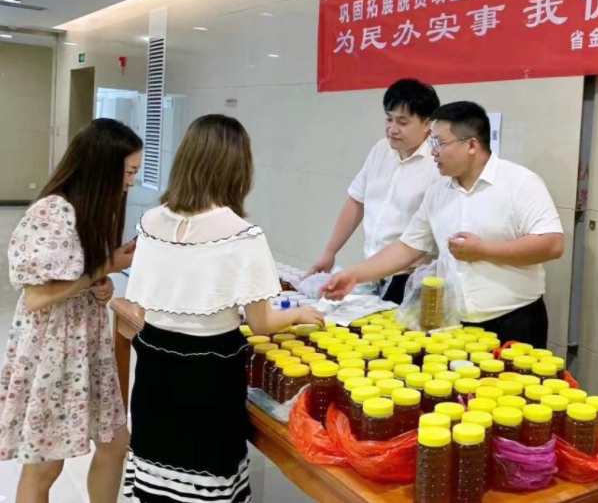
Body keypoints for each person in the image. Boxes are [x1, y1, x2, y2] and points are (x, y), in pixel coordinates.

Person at [122, 114, 323, 503]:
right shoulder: (242, 234)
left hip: (154, 367)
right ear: (239, 168)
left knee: (156, 467)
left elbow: (142, 305)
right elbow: (261, 323)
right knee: (206, 478)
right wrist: (298, 314)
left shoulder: (150, 222)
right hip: (209, 373)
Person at [322, 101, 564, 347]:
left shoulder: (520, 183)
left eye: (439, 143)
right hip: (456, 325)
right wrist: (354, 275)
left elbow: (552, 244)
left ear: (471, 145)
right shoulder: (438, 192)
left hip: (514, 322)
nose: (433, 152)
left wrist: (484, 251)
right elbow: (407, 247)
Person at [1, 119, 143, 503]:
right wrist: (104, 268)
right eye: (129, 171)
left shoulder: (90, 210)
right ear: (102, 165)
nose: (132, 181)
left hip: (86, 345)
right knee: (45, 466)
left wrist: (102, 284)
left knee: (115, 443)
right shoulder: (53, 211)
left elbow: (78, 273)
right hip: (54, 350)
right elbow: (36, 296)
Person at [310, 78, 441, 304]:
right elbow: (356, 201)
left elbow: (423, 239)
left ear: (427, 124)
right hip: (373, 273)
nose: (392, 129)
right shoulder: (381, 150)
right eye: (389, 119)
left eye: (402, 122)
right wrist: (330, 252)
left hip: (412, 279)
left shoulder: (438, 164)